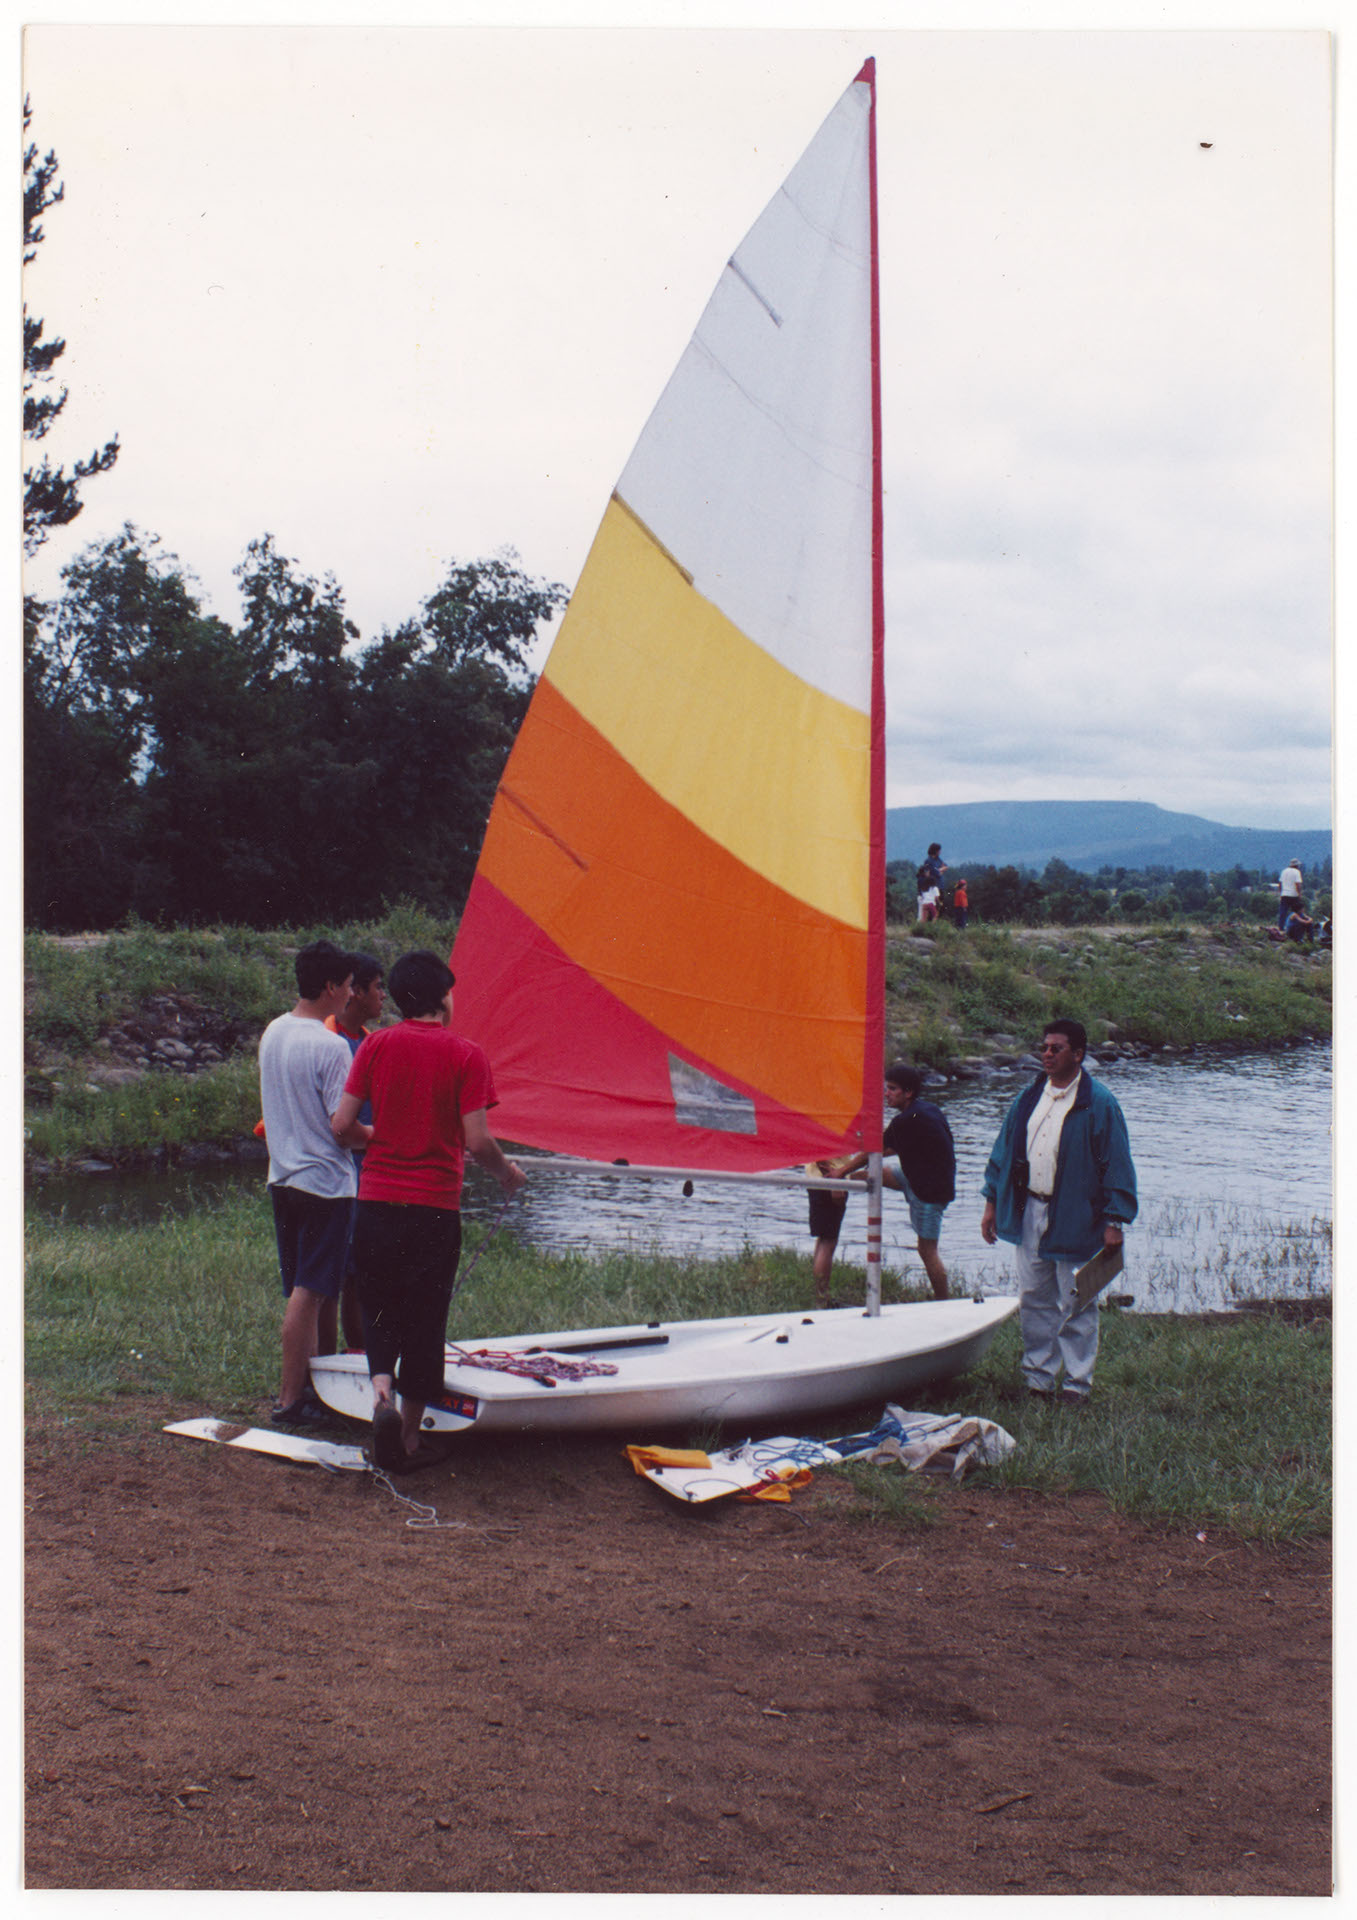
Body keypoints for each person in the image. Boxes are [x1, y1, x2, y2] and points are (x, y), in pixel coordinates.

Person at [332, 949, 526, 1473]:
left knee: (377, 1307)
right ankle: (411, 1439)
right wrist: (506, 1173)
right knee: (424, 1316)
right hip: (432, 1209)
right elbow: (478, 1141)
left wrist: (378, 1137)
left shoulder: (376, 1048)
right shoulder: (467, 1055)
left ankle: (379, 1401)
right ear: (442, 998)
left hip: (374, 1203)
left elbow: (342, 1126)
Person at [980, 1018, 1137, 1407]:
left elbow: (1116, 1165)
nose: (1046, 1054)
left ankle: (1077, 1385)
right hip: (1028, 1209)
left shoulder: (1100, 1104)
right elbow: (1003, 1153)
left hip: (1077, 1216)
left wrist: (1114, 1221)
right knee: (1033, 1295)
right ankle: (1038, 1380)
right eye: (1044, 1047)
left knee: (1076, 1300)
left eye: (1056, 1048)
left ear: (1078, 1055)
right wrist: (990, 1203)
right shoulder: (1030, 1097)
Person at [258, 939, 361, 1426]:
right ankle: (290, 1399)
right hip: (325, 1183)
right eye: (347, 986)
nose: (350, 994)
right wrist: (389, 1135)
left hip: (284, 1178)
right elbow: (343, 1129)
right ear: (330, 987)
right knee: (309, 1291)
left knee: (318, 1287)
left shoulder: (275, 1031)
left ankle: (319, 1390)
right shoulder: (331, 1044)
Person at [841, 1063, 956, 1301]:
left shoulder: (906, 1120)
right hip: (921, 1177)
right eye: (886, 1088)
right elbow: (893, 1147)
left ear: (908, 1092)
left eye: (892, 1089)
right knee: (874, 1173)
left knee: (926, 1251)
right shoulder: (926, 1110)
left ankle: (944, 1302)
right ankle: (843, 1183)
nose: (886, 1093)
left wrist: (842, 1169)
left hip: (929, 1193)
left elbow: (876, 1148)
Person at [325, 953, 386, 1349]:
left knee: (361, 1269)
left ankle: (359, 1353)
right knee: (333, 1274)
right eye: (378, 987)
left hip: (370, 1173)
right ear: (356, 992)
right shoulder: (325, 1040)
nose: (384, 997)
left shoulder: (372, 1044)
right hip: (332, 1172)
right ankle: (324, 1360)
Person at [807, 1157, 853, 1308]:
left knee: (824, 1240)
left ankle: (820, 1294)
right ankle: (822, 1298)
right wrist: (835, 1184)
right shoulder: (827, 1132)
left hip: (818, 1180)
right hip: (829, 1180)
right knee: (828, 1242)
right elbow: (819, 1152)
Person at [917, 843, 947, 920]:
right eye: (939, 850)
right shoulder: (928, 861)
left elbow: (945, 866)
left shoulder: (938, 859)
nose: (940, 852)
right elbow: (936, 873)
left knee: (940, 907)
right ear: (935, 851)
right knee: (932, 907)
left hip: (940, 886)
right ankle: (930, 924)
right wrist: (940, 870)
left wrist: (940, 870)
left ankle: (937, 923)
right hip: (933, 887)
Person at [1278, 858, 1304, 930]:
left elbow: (1280, 884)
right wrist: (1299, 894)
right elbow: (1298, 884)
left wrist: (1281, 893)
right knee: (1297, 913)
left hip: (1284, 894)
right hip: (1294, 895)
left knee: (1283, 912)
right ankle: (1295, 928)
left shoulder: (1284, 871)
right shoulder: (1297, 872)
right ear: (1297, 865)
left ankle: (1281, 928)